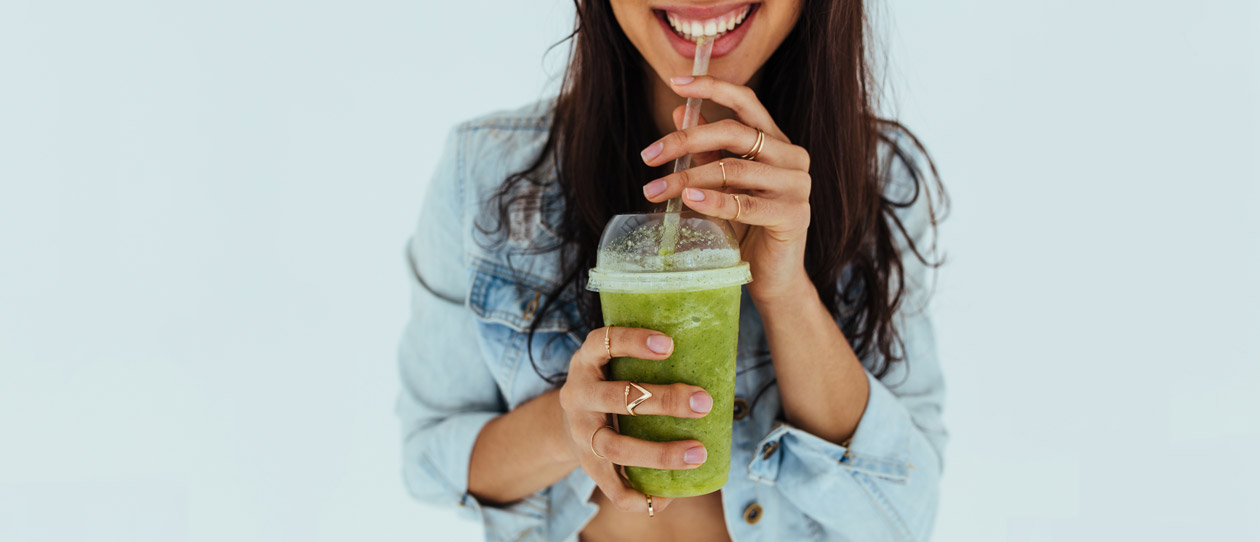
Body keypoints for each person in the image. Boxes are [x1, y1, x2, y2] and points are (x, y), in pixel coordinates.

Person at [397, 0, 948, 540]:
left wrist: (784, 290)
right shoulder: (486, 172)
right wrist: (569, 426)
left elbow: (903, 516)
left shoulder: (881, 179)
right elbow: (430, 463)